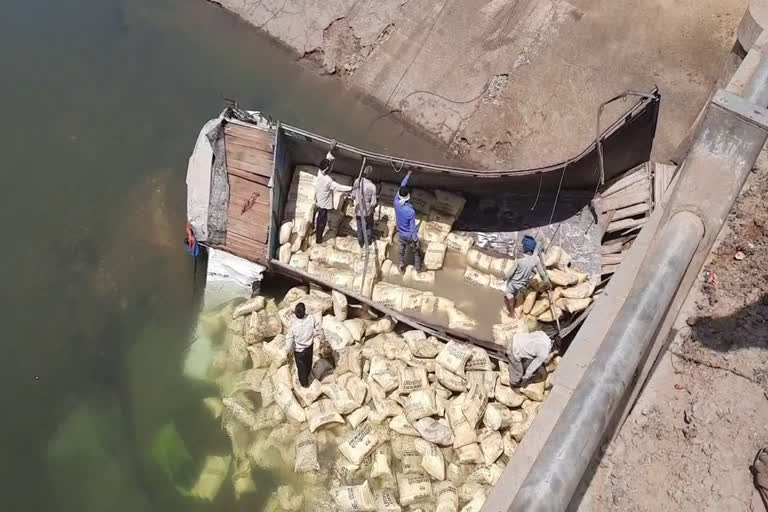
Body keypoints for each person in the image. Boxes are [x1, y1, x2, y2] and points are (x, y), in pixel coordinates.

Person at [503, 235, 551, 317]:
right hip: (522, 284)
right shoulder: (536, 259)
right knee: (515, 294)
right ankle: (515, 302)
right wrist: (547, 281)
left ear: (525, 247)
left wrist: (505, 277)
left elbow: (510, 273)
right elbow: (542, 273)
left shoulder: (519, 260)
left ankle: (511, 313)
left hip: (513, 284)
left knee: (510, 296)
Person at [284, 302, 323, 387]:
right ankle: (308, 376)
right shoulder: (311, 318)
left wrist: (287, 350)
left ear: (295, 313)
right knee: (309, 363)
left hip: (299, 351)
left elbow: (289, 338)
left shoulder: (293, 324)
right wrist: (321, 338)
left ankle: (304, 384)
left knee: (301, 368)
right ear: (305, 311)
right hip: (309, 347)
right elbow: (319, 329)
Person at [314, 157, 351, 244]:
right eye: (330, 168)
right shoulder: (327, 180)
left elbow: (326, 159)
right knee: (321, 222)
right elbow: (338, 187)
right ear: (327, 169)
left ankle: (318, 236)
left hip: (319, 199)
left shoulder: (319, 172)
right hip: (324, 204)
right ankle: (318, 240)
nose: (331, 169)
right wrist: (352, 188)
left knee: (321, 219)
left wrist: (331, 150)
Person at [394, 170, 423, 272]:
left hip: (400, 233)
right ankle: (418, 268)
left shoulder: (396, 202)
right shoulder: (410, 211)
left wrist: (408, 175)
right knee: (416, 252)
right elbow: (412, 228)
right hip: (409, 236)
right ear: (408, 197)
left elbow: (402, 186)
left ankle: (401, 263)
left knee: (401, 250)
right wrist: (415, 240)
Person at [352, 165, 378, 248]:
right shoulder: (372, 187)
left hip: (358, 209)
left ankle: (360, 242)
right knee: (368, 226)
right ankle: (368, 241)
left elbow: (353, 195)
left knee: (359, 226)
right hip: (367, 211)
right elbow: (373, 203)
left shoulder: (357, 181)